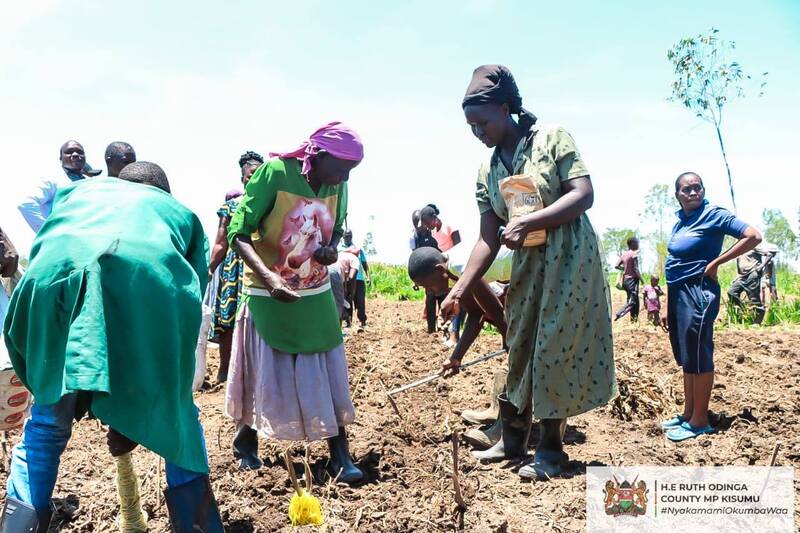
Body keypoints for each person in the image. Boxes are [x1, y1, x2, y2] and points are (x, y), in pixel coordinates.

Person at [2, 162, 223, 531]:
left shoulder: (79, 195)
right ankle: (198, 525)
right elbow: (192, 291)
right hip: (146, 293)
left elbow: (45, 251)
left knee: (47, 422)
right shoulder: (176, 212)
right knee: (177, 414)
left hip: (50, 290)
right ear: (162, 192)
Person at [441, 65, 616, 480]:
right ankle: (512, 440)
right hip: (528, 266)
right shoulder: (487, 170)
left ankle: (552, 452)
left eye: (482, 122)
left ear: (505, 108)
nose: (477, 132)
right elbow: (487, 237)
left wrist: (532, 222)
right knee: (519, 343)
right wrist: (460, 291)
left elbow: (583, 194)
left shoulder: (551, 139)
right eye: (471, 126)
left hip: (569, 262)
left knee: (553, 346)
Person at [225, 122, 364, 483]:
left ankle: (339, 455)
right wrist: (269, 278)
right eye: (341, 168)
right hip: (268, 288)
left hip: (313, 288)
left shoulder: (339, 184)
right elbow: (238, 232)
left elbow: (329, 235)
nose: (344, 177)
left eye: (350, 171)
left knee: (325, 365)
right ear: (316, 156)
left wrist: (330, 252)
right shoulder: (275, 173)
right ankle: (246, 443)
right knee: (264, 367)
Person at [660, 172, 761, 442]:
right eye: (686, 189)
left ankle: (700, 421)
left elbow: (753, 236)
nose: (693, 193)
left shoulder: (715, 214)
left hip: (699, 291)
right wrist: (667, 304)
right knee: (686, 353)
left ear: (703, 190)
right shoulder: (680, 221)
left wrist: (716, 263)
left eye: (697, 188)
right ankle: (688, 413)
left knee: (699, 349)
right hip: (678, 291)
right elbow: (673, 261)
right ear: (677, 195)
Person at [408, 247, 509, 448]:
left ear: (439, 270)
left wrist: (511, 342)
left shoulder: (462, 267)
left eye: (428, 286)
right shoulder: (455, 272)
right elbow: (476, 314)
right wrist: (456, 357)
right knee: (514, 356)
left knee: (517, 359)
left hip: (546, 273)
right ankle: (497, 410)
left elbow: (498, 315)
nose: (430, 292)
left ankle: (506, 432)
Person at [207, 151, 264, 383]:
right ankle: (225, 371)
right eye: (251, 175)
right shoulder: (231, 206)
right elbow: (221, 242)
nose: (255, 178)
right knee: (228, 317)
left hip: (261, 267)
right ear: (243, 179)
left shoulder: (271, 205)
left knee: (260, 318)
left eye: (261, 174)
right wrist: (209, 269)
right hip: (234, 268)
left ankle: (258, 372)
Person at [18, 140, 98, 233]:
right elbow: (26, 204)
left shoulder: (89, 184)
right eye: (69, 152)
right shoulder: (53, 180)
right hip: (65, 243)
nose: (75, 154)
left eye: (80, 152)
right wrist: (49, 234)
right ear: (61, 158)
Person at [339, 229, 371, 329]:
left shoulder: (357, 249)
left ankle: (362, 321)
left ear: (352, 237)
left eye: (349, 236)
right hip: (345, 278)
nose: (348, 238)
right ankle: (348, 321)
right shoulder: (339, 250)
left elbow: (364, 264)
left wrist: (368, 276)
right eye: (346, 236)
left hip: (359, 278)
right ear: (343, 237)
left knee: (360, 300)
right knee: (347, 299)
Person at [727, 248, 767, 324]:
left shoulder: (753, 246)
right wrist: (737, 277)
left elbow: (770, 254)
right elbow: (739, 266)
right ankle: (744, 310)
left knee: (754, 298)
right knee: (731, 292)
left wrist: (761, 266)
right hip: (742, 276)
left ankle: (757, 322)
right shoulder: (739, 250)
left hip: (752, 273)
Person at [614, 237, 643, 322]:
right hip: (632, 281)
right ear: (632, 244)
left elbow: (616, 266)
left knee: (633, 300)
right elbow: (636, 269)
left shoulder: (624, 254)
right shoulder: (633, 254)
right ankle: (619, 313)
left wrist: (624, 269)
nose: (638, 244)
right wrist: (641, 279)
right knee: (633, 302)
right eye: (636, 242)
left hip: (625, 281)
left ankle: (633, 320)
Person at [338, 249, 361, 328]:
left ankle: (341, 324)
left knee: (336, 300)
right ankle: (339, 330)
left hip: (326, 274)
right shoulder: (355, 259)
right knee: (340, 302)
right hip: (336, 275)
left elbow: (345, 277)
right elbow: (351, 277)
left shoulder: (341, 255)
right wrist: (352, 292)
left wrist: (346, 289)